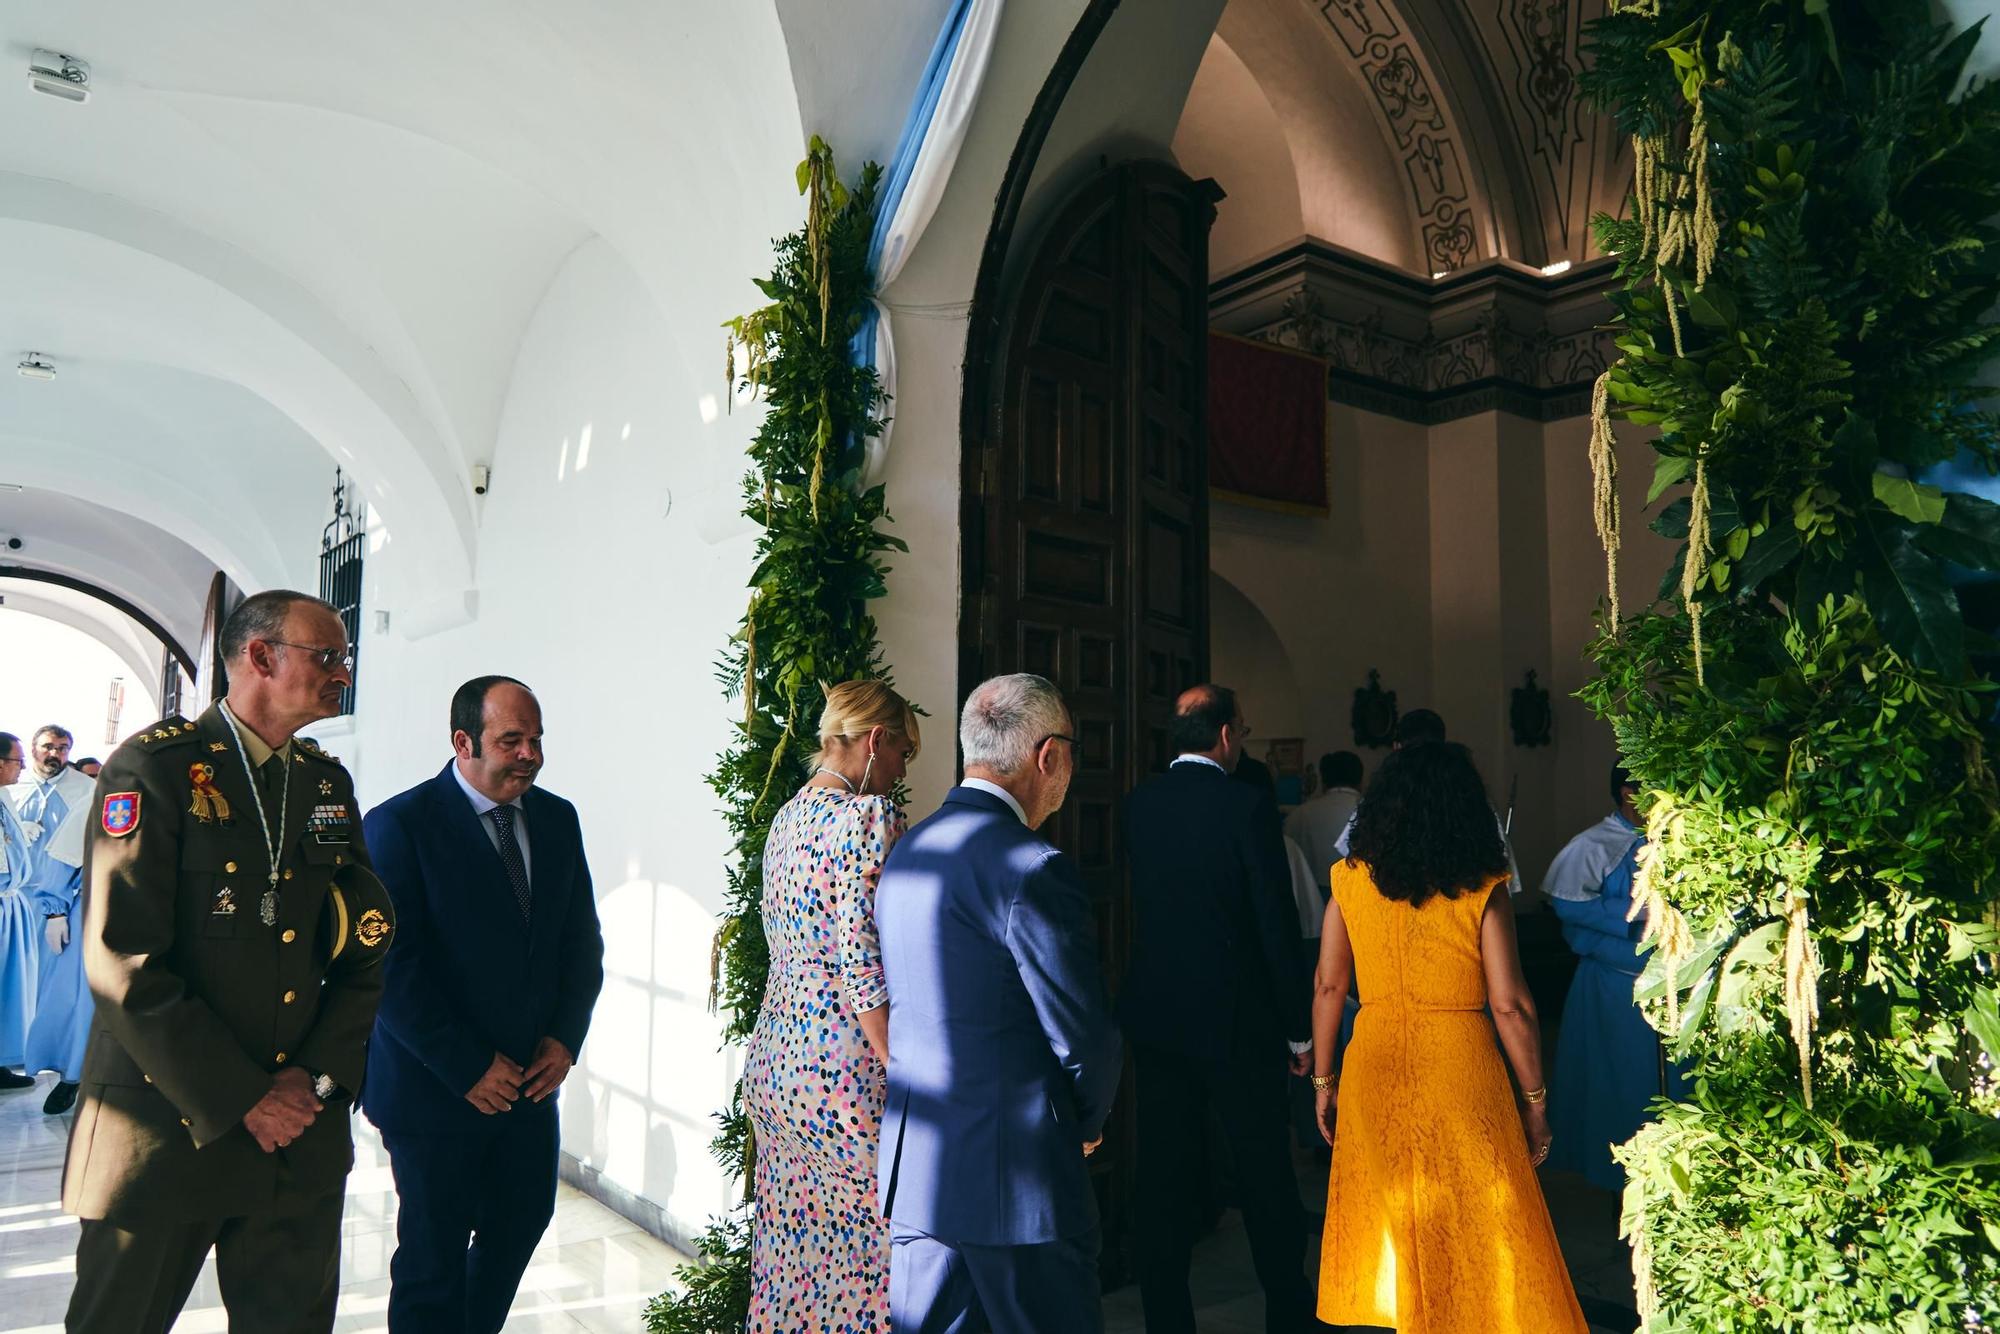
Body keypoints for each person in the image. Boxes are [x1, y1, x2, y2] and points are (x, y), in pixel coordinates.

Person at [60, 589, 396, 1333]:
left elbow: (364, 944)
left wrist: (312, 1078)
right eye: (328, 657)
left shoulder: (324, 784)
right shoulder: (154, 769)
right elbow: (123, 960)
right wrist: (248, 1095)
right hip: (166, 1127)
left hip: (298, 1136)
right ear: (260, 656)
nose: (343, 674)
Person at [1310, 742, 1587, 1333]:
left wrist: (1323, 1080)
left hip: (1375, 1058)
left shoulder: (1348, 880)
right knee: (1480, 1222)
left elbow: (1329, 988)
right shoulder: (1482, 886)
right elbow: (1510, 1005)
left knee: (1401, 1216)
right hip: (1459, 1060)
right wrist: (1536, 1102)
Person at [875, 673, 1122, 1334]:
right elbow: (1084, 1035)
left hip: (921, 1171)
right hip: (1017, 1186)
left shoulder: (909, 852)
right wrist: (1086, 1122)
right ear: (1049, 756)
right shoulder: (1031, 865)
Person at [360, 675, 605, 1333]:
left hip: (530, 1084)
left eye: (536, 739)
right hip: (433, 1089)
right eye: (512, 740)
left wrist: (564, 1038)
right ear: (464, 742)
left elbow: (580, 941)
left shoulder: (557, 819)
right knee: (432, 1260)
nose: (529, 754)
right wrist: (467, 1066)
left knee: (521, 1221)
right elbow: (389, 965)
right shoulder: (397, 825)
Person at [1122, 684, 1322, 1334]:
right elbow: (1274, 921)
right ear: (1228, 736)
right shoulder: (1247, 806)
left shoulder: (1138, 805)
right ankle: (1289, 1315)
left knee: (1162, 1175)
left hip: (1157, 1020)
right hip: (1239, 1021)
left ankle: (1166, 1321)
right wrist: (1299, 1030)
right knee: (1265, 1173)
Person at [742, 680, 922, 1331]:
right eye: (903, 751)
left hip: (776, 1068)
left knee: (795, 1266)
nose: (903, 769)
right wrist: (905, 1066)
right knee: (873, 1268)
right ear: (876, 741)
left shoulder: (786, 819)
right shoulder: (868, 820)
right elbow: (863, 967)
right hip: (843, 1077)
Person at [1545, 766, 1687, 1191]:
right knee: (1622, 1091)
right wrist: (1641, 922)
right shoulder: (1592, 845)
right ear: (1629, 793)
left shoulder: (1682, 839)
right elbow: (1569, 908)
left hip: (1679, 983)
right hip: (1615, 987)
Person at [1333, 710, 1523, 895]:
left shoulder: (1381, 799)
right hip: (1459, 903)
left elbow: (1354, 857)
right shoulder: (1470, 798)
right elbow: (1501, 870)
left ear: (1397, 747)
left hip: (1390, 901)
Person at [9, 724, 96, 1114]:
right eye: (48, 747)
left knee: (68, 994)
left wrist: (57, 909)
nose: (54, 754)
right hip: (25, 901)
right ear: (34, 749)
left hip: (68, 907)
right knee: (30, 988)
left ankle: (75, 1072)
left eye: (62, 748)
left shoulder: (85, 789)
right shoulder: (14, 790)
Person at [0, 734, 40, 1090]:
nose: (21, 768)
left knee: (7, 988)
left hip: (10, 901)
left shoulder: (5, 798)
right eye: (17, 760)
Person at [1285, 751, 1362, 884]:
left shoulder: (1300, 814)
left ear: (1323, 780)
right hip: (1358, 894)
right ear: (1360, 779)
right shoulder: (1370, 811)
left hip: (1312, 894)